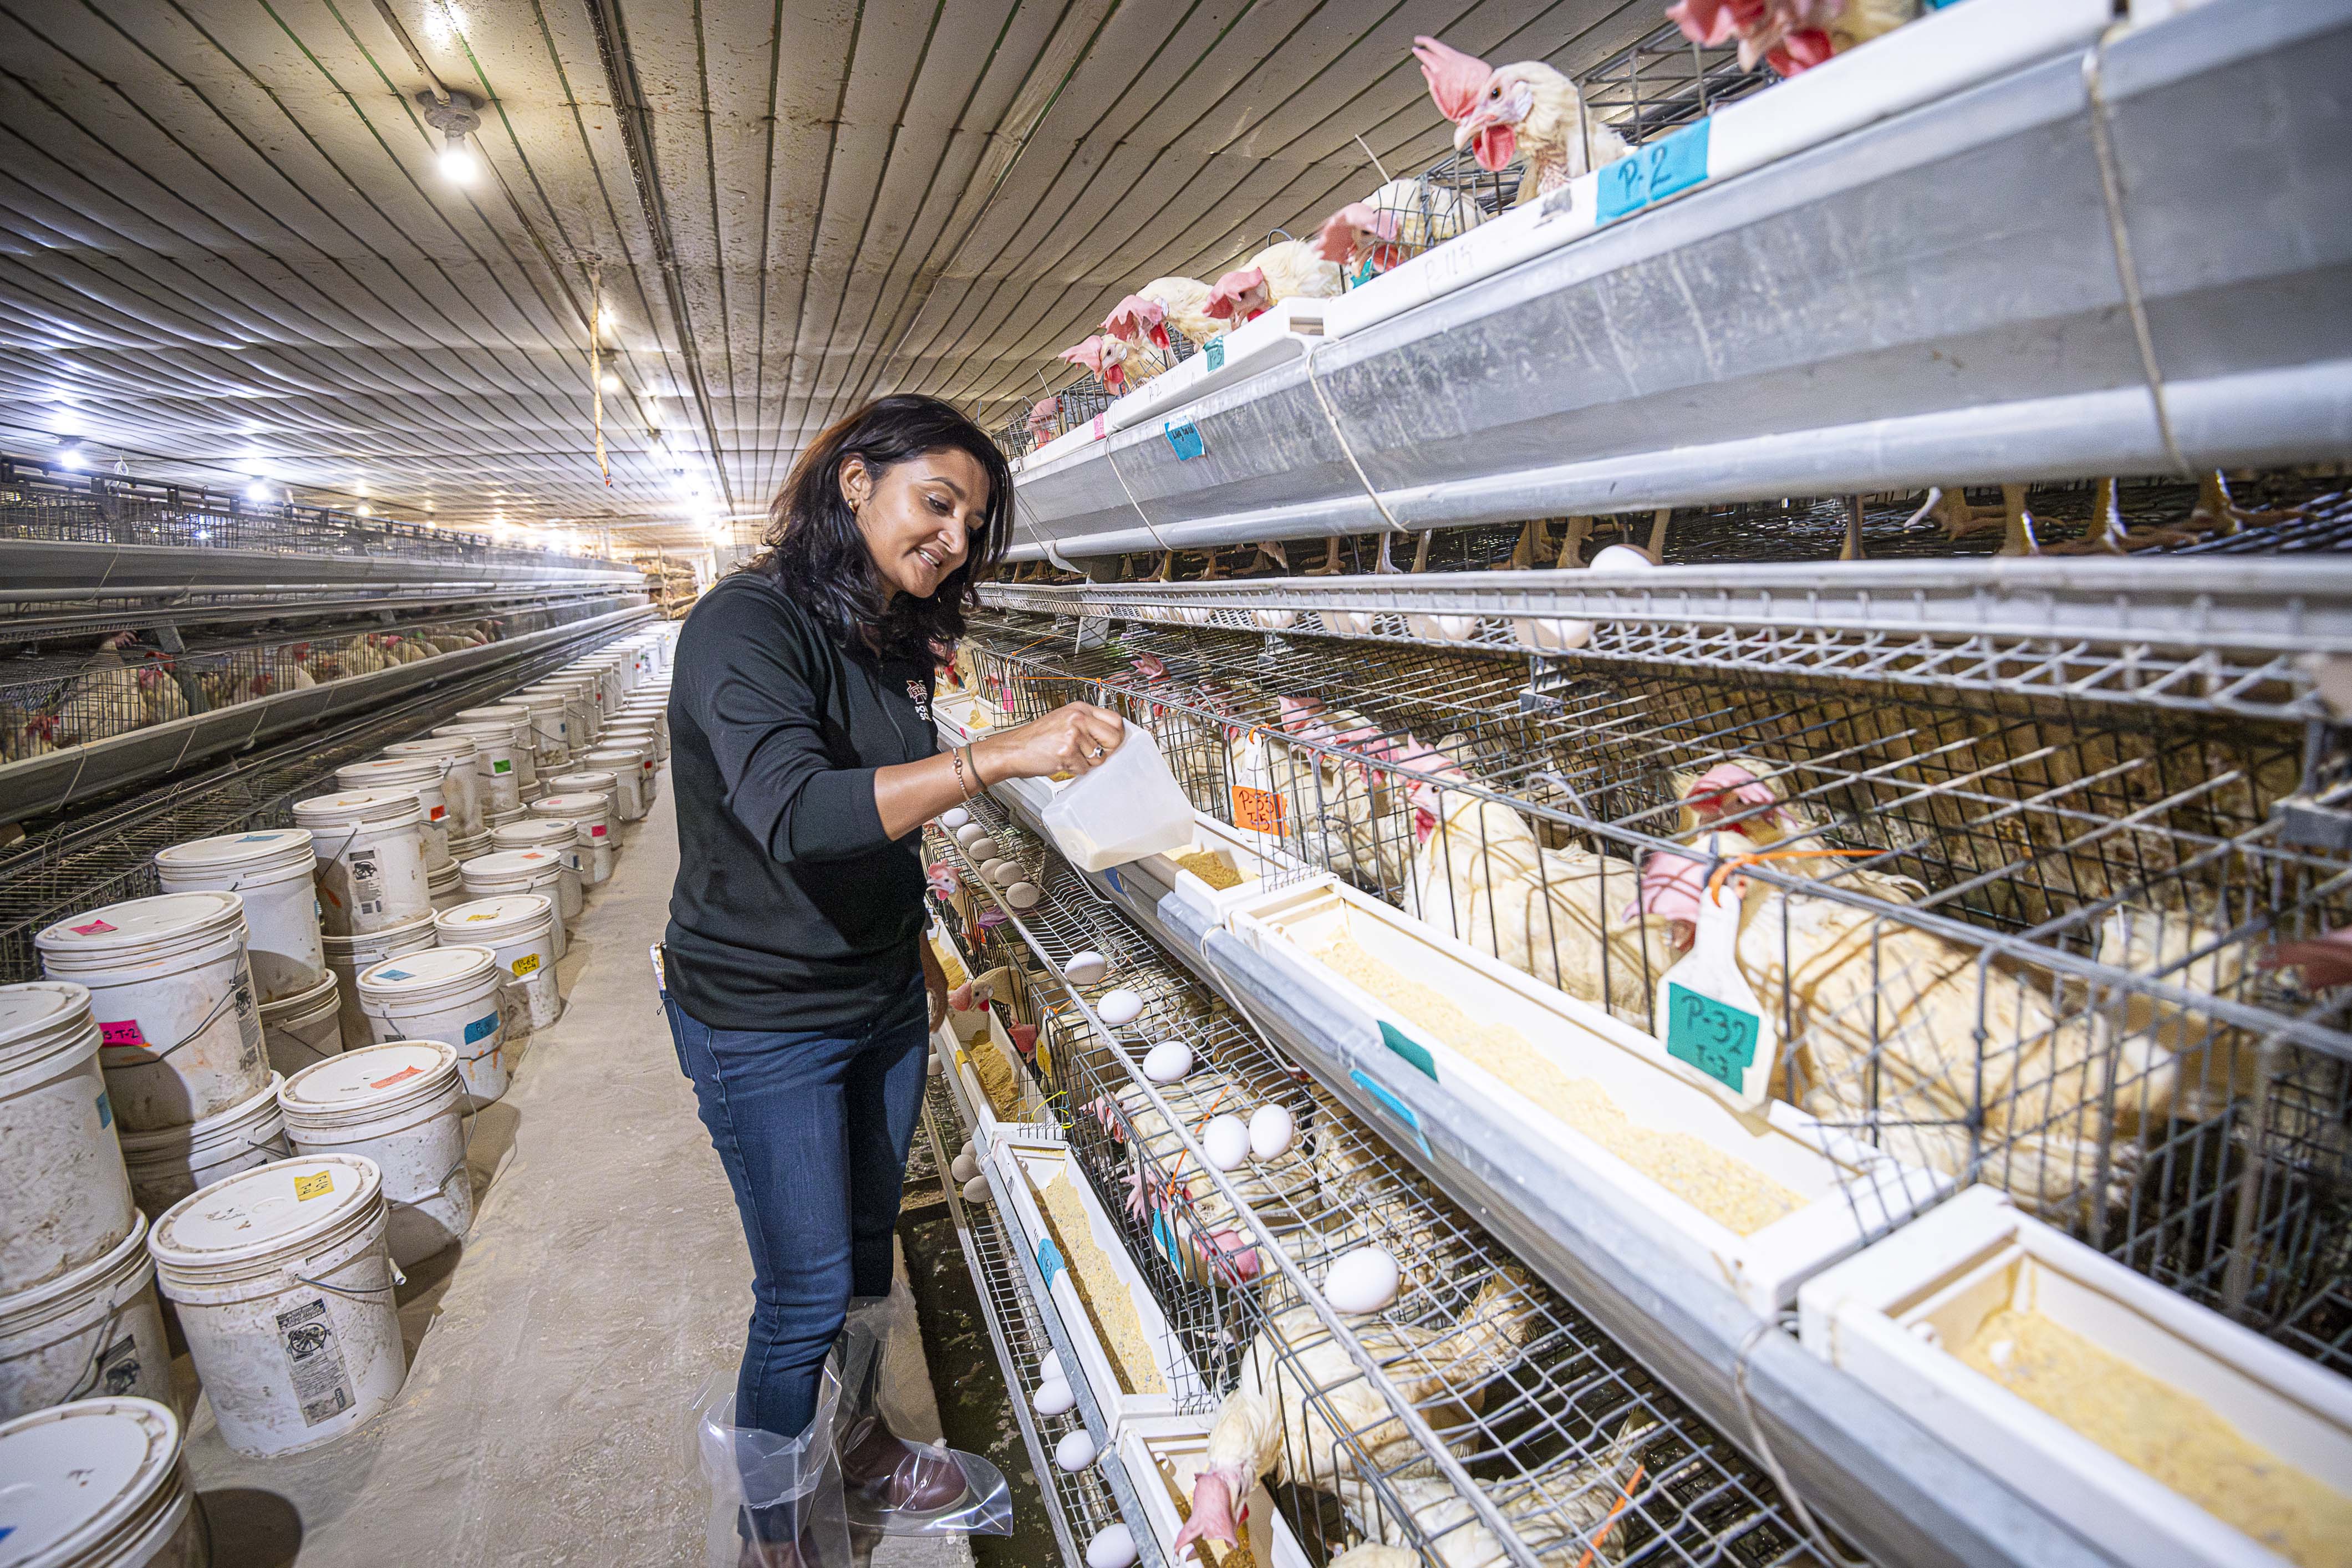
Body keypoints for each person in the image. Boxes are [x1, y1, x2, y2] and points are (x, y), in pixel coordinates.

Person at [662, 394, 1122, 1565]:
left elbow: (884, 835)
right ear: (855, 480)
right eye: (938, 502)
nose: (955, 539)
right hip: (763, 1018)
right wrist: (996, 755)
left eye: (974, 522)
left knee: (870, 1263)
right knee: (803, 1295)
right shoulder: (741, 626)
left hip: (876, 996)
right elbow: (799, 813)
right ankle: (775, 1528)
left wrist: (912, 952)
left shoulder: (889, 636)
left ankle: (856, 1445)